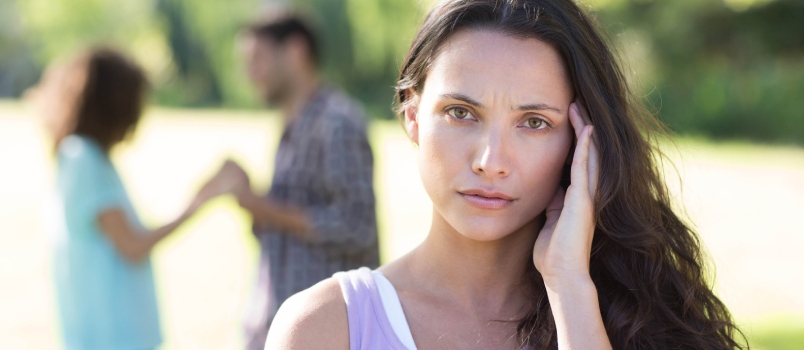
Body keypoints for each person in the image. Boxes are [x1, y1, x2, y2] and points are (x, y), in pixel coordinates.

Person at [264, 0, 745, 349]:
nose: (491, 160)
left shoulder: (636, 319)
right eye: (461, 113)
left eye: (534, 123)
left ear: (581, 142)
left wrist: (569, 287)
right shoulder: (327, 327)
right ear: (412, 115)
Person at [30, 48, 233, 349]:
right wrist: (199, 202)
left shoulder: (86, 156)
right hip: (111, 335)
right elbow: (132, 245)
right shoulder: (83, 157)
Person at [231, 13, 379, 350]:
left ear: (296, 52)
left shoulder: (337, 124)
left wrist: (259, 204)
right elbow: (282, 234)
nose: (249, 73)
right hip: (277, 324)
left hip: (328, 333)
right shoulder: (293, 124)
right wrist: (250, 199)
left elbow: (357, 228)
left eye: (257, 59)